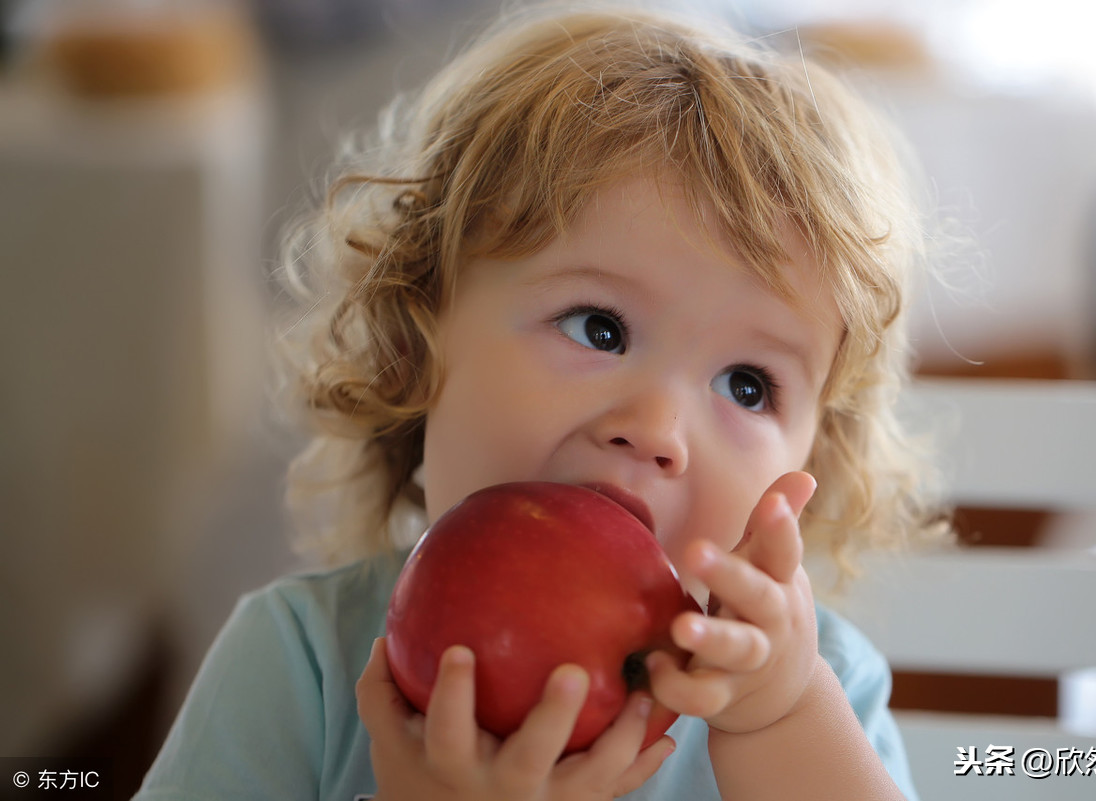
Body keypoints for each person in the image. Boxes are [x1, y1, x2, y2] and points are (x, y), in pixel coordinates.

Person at [135, 4, 949, 800]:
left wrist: (781, 721)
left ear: (813, 463)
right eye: (599, 328)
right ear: (417, 339)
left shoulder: (814, 689)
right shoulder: (301, 664)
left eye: (748, 384)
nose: (656, 431)